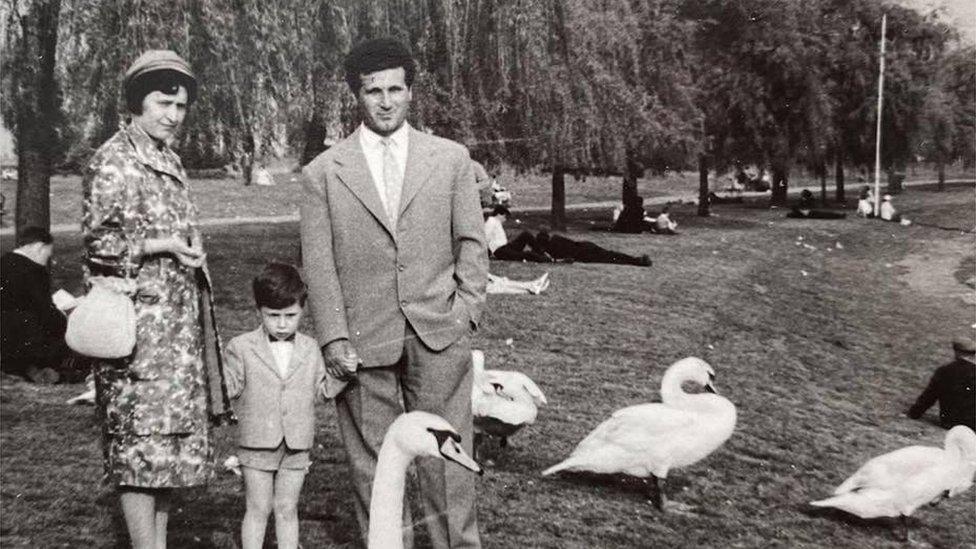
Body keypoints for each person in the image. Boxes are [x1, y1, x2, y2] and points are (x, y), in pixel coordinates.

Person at [300, 38, 488, 548]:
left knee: (448, 463)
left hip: (439, 333)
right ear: (356, 96)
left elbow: (472, 241)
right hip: (362, 343)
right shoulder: (324, 172)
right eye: (373, 91)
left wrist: (466, 310)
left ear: (411, 92)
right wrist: (334, 337)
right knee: (375, 471)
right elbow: (318, 266)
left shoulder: (449, 159)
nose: (385, 101)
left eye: (395, 90)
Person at [82, 50, 231, 548]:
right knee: (138, 454)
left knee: (167, 456)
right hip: (138, 338)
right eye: (163, 103)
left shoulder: (167, 157)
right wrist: (162, 245)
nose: (173, 115)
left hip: (175, 337)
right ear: (136, 104)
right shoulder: (114, 160)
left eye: (181, 106)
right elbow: (99, 243)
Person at [224, 263, 328, 549]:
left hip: (297, 444)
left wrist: (346, 373)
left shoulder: (311, 348)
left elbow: (323, 391)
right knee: (258, 509)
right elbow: (229, 388)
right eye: (273, 316)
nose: (282, 324)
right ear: (259, 310)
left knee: (287, 510)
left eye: (290, 316)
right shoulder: (241, 347)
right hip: (256, 443)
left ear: (302, 310)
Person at [0, 227, 70, 383]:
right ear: (39, 247)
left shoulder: (3, 262)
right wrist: (64, 318)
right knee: (63, 326)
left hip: (5, 338)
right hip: (26, 338)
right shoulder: (34, 271)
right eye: (47, 254)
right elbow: (44, 309)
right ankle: (45, 371)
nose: (47, 259)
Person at [906, 338, 976, 431]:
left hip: (950, 422)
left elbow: (929, 396)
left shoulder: (944, 371)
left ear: (956, 352)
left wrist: (913, 413)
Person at [536, 231, 652, 266]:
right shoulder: (556, 238)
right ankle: (636, 259)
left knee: (610, 258)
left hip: (583, 254)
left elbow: (565, 258)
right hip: (585, 245)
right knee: (611, 254)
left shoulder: (551, 250)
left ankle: (636, 261)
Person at [485, 205, 551, 262]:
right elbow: (486, 237)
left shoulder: (496, 222)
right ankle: (546, 259)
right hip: (501, 251)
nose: (505, 220)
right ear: (499, 214)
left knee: (526, 235)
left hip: (507, 247)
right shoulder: (491, 222)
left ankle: (541, 252)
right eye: (505, 217)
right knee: (526, 254)